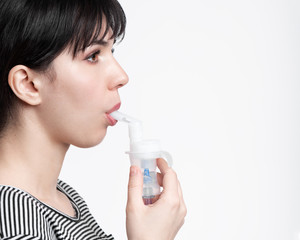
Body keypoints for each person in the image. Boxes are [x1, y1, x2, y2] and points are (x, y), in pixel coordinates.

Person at [0, 0, 187, 239]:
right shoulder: (14, 221)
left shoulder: (65, 199)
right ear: (28, 85)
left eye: (112, 52)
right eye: (93, 55)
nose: (121, 76)